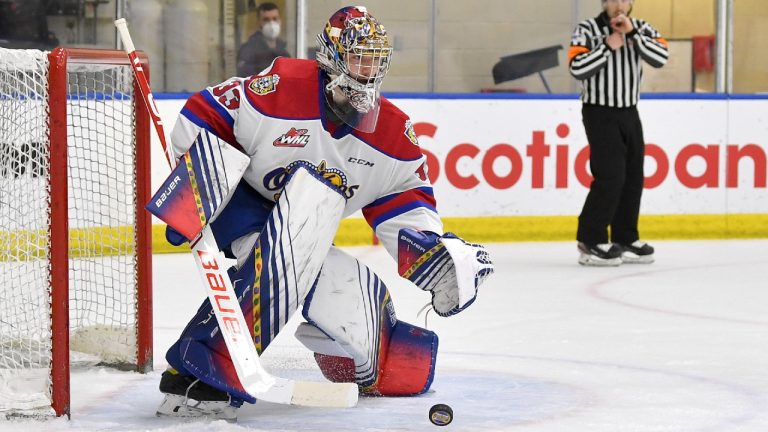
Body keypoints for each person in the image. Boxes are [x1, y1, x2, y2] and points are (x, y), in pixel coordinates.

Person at [156, 6, 494, 420]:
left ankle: (377, 356)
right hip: (243, 201)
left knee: (342, 292)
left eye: (374, 58)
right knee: (292, 249)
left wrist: (431, 252)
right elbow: (207, 111)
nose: (367, 67)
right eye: (357, 56)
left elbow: (405, 198)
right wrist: (198, 184)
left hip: (307, 222)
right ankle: (200, 371)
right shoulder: (280, 88)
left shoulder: (392, 133)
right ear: (330, 56)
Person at [568, 0, 668, 266]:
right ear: (604, 3)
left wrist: (632, 33)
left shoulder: (642, 28)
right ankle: (590, 238)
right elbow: (577, 67)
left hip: (629, 112)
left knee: (633, 176)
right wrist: (607, 47)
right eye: (613, 0)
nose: (619, 5)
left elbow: (660, 58)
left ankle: (624, 237)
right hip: (599, 112)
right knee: (610, 176)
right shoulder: (586, 29)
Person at [236, 2, 290, 77]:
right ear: (259, 23)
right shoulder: (248, 50)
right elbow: (246, 79)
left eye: (275, 19)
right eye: (266, 19)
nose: (271, 24)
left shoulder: (283, 51)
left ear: (280, 21)